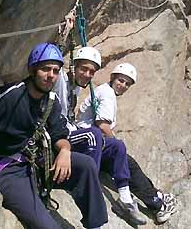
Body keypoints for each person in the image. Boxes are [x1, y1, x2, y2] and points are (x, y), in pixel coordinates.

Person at [0, 43, 108, 229]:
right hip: (10, 169)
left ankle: (95, 225)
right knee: (48, 227)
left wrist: (65, 150)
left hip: (38, 160)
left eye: (56, 71)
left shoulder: (50, 100)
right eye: (45, 69)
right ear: (33, 69)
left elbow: (59, 133)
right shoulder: (11, 96)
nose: (51, 76)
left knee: (87, 165)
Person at [55, 48, 176, 223]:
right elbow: (102, 126)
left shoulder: (83, 89)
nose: (123, 85)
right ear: (112, 78)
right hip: (86, 140)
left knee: (122, 153)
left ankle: (137, 198)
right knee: (122, 156)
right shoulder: (106, 93)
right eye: (121, 80)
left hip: (85, 138)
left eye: (127, 84)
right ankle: (155, 202)